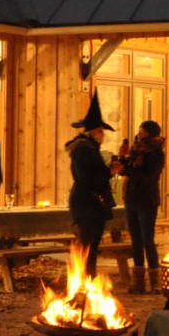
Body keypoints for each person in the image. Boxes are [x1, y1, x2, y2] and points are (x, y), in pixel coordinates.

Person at [65, 94, 118, 274]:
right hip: (87, 203)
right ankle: (85, 278)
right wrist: (109, 172)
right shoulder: (83, 150)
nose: (102, 136)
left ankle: (89, 278)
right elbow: (87, 178)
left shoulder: (88, 149)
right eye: (101, 132)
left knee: (92, 244)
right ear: (94, 132)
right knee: (87, 245)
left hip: (91, 203)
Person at [116, 120, 166, 292]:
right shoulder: (135, 149)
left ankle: (155, 281)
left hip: (147, 200)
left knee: (147, 240)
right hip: (131, 198)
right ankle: (138, 282)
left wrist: (129, 171)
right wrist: (121, 161)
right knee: (135, 240)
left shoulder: (157, 153)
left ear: (151, 133)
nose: (139, 133)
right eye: (139, 130)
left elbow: (149, 177)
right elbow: (127, 169)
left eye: (142, 131)